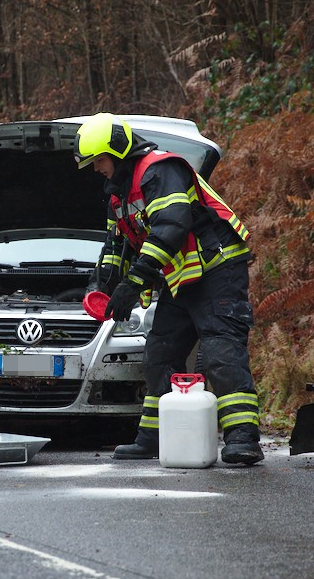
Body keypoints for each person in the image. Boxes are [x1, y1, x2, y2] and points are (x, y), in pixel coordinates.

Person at [74, 113, 263, 465]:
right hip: (184, 277)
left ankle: (243, 438)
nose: (96, 169)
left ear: (117, 152)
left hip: (218, 269)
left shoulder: (160, 170)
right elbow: (118, 245)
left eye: (98, 161)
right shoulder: (119, 194)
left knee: (221, 349)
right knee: (160, 353)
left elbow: (173, 226)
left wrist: (136, 281)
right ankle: (153, 438)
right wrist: (104, 284)